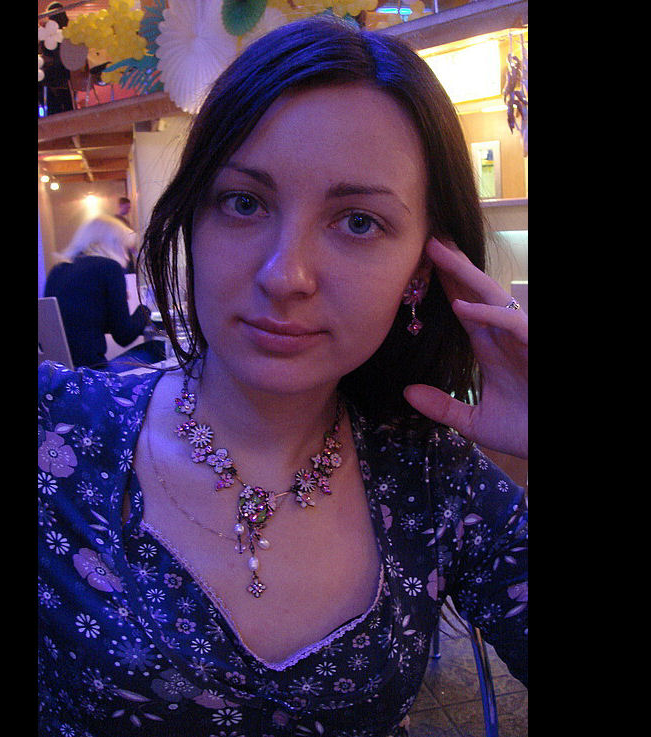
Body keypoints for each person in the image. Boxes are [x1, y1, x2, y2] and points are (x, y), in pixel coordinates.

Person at [37, 15, 527, 736]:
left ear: (420, 270)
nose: (284, 275)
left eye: (357, 222)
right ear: (194, 218)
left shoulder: (435, 478)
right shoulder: (57, 432)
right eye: (244, 203)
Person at [43, 214, 151, 369]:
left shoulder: (57, 270)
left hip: (58, 373)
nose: (128, 258)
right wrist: (145, 309)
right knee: (156, 348)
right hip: (92, 373)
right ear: (114, 244)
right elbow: (124, 336)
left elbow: (80, 323)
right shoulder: (110, 267)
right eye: (126, 249)